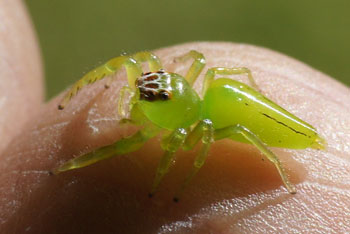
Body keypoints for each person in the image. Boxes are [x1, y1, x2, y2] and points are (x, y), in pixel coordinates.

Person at [1, 1, 349, 233]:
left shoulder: (190, 128)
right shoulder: (161, 79)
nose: (138, 93)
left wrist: (167, 185)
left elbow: (153, 142)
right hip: (213, 100)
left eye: (148, 93)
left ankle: (285, 169)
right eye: (142, 88)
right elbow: (158, 62)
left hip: (238, 118)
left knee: (232, 122)